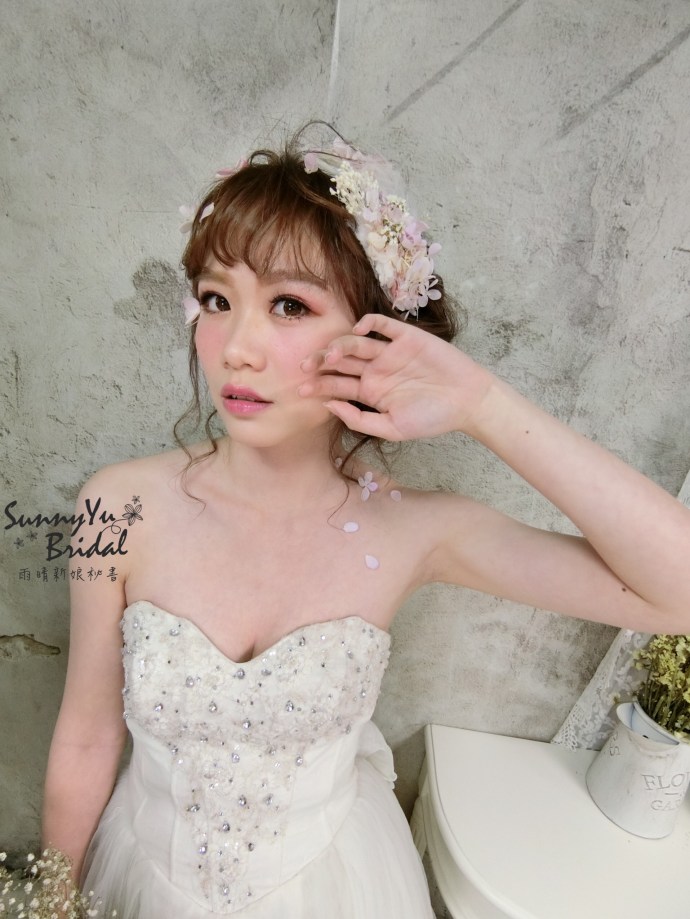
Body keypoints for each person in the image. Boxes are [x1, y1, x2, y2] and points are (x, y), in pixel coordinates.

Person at [41, 127, 690, 918]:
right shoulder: (117, 506)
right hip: (143, 879)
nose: (237, 348)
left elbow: (678, 591)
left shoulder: (413, 533)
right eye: (216, 299)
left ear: (376, 329)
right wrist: (52, 903)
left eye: (289, 304)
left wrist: (483, 405)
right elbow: (86, 736)